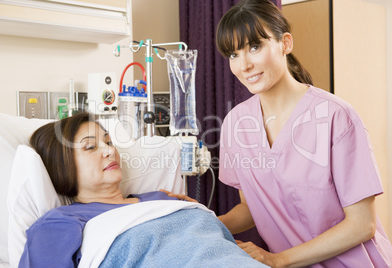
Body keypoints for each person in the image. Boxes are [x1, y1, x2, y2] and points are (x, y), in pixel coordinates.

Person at [214, 0, 392, 267]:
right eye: (233, 55)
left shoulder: (335, 116)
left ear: (285, 43)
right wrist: (203, 221)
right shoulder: (235, 124)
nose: (244, 65)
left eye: (254, 47)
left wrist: (278, 260)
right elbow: (252, 207)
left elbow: (362, 224)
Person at [19, 112, 267, 268]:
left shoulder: (161, 199)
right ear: (62, 167)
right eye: (90, 147)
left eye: (108, 142)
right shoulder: (59, 222)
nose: (109, 150)